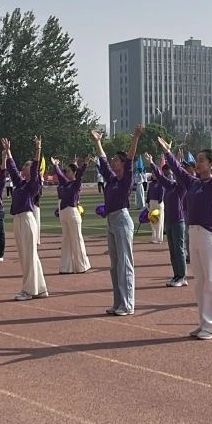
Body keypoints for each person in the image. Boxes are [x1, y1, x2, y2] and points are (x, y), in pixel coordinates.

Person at [160, 126, 212, 338]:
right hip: (193, 235)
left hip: (209, 236)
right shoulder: (192, 183)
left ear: (210, 164)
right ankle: (204, 323)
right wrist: (167, 152)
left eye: (202, 160)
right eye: (198, 160)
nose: (198, 163)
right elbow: (178, 170)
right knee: (200, 282)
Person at [93, 126, 142, 317]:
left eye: (116, 160)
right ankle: (118, 302)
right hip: (111, 221)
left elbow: (130, 158)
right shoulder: (111, 179)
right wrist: (98, 142)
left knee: (125, 263)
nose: (113, 162)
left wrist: (135, 137)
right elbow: (103, 161)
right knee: (114, 266)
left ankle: (128, 304)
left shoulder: (125, 178)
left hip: (122, 219)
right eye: (113, 160)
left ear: (122, 163)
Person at [3, 136, 48, 301]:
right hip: (19, 219)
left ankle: (29, 290)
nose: (24, 167)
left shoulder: (33, 184)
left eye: (26, 165)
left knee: (28, 256)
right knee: (28, 256)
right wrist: (8, 151)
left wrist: (38, 149)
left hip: (27, 219)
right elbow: (12, 168)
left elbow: (35, 168)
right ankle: (40, 288)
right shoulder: (20, 183)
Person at [152, 158, 189, 285]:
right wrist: (152, 163)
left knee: (179, 249)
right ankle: (176, 275)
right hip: (169, 221)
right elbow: (160, 176)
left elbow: (180, 173)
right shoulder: (169, 185)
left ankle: (182, 277)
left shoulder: (181, 187)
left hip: (178, 221)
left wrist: (177, 163)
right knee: (172, 250)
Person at [52, 157, 91, 274]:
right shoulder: (65, 183)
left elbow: (80, 174)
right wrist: (55, 166)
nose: (66, 172)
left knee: (77, 239)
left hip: (73, 212)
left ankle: (82, 266)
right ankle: (65, 268)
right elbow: (60, 176)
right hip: (64, 213)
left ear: (74, 173)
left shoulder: (76, 183)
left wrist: (84, 164)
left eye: (69, 171)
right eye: (66, 171)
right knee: (66, 240)